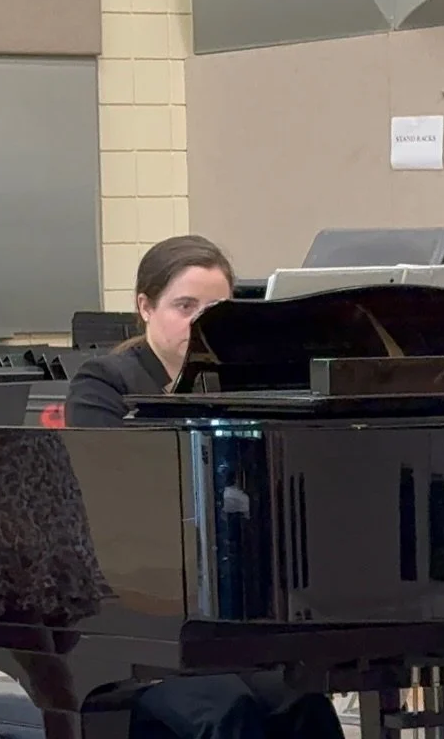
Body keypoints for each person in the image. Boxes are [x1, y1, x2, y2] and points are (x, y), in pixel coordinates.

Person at [66, 234, 345, 739]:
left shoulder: (241, 383)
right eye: (184, 306)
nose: (198, 322)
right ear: (145, 308)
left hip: (228, 610)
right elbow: (117, 501)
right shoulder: (103, 383)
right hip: (135, 611)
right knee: (227, 713)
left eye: (215, 310)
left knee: (307, 710)